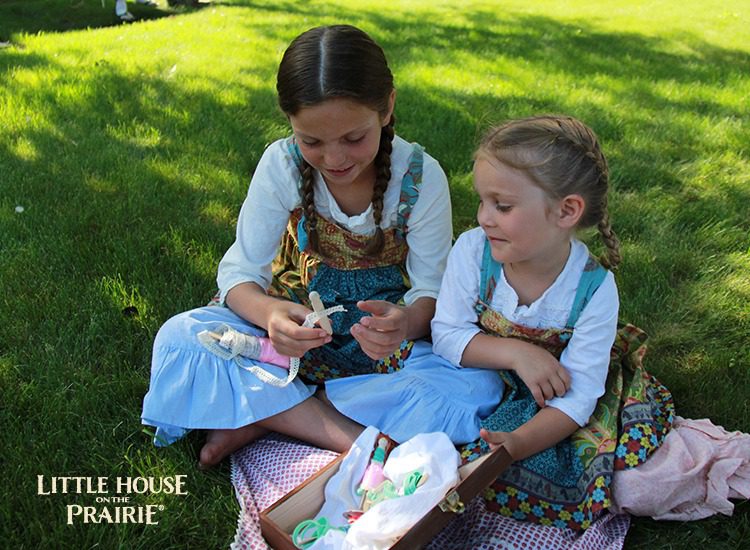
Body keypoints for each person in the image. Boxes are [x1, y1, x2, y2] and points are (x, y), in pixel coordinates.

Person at [141, 24, 494, 468]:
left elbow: (433, 291)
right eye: (312, 141)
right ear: (291, 124)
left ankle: (269, 414)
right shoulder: (281, 165)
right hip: (297, 341)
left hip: (380, 349)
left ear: (387, 107)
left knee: (479, 385)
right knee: (182, 339)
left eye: (353, 138)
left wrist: (402, 324)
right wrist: (271, 316)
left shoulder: (420, 178)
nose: (335, 159)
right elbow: (239, 275)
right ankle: (353, 437)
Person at [326, 115, 674, 531]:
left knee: (559, 471)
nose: (484, 217)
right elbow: (447, 335)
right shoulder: (474, 251)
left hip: (548, 397)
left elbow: (577, 396)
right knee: (423, 393)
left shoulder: (595, 290)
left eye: (502, 206)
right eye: (482, 201)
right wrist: (517, 353)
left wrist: (518, 443)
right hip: (472, 369)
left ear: (566, 211)